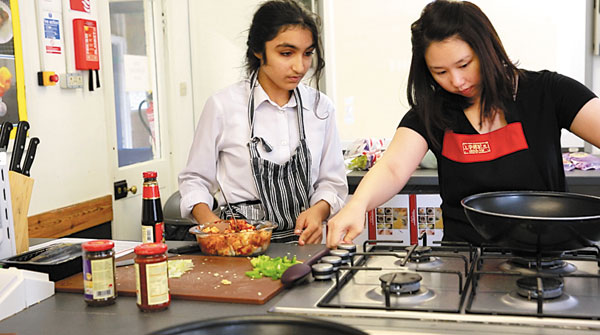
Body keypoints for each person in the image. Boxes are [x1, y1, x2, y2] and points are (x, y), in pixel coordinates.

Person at [326, 0, 600, 248]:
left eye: (465, 64)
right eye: (440, 72)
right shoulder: (431, 112)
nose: (456, 81)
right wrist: (357, 206)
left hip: (545, 257)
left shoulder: (548, 92)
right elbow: (393, 168)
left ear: (488, 49)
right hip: (464, 261)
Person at [179, 0, 347, 245]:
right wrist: (213, 225)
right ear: (259, 50)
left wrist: (318, 210)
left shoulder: (320, 108)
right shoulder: (223, 106)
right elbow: (194, 180)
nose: (300, 66)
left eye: (307, 53)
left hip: (304, 247)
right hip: (239, 246)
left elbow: (332, 182)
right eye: (286, 53)